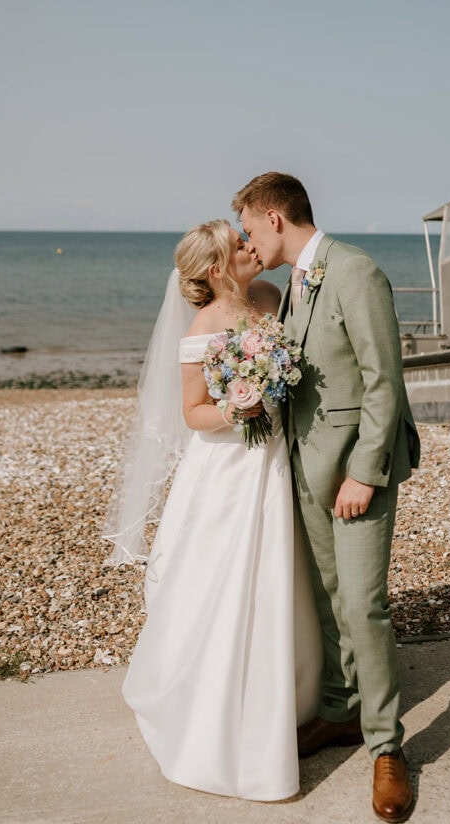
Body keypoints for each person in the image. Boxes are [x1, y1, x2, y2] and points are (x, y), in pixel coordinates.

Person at [103, 218, 322, 801]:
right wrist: (241, 407)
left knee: (281, 575)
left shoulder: (273, 298)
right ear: (217, 269)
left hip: (276, 461)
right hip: (227, 469)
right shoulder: (202, 326)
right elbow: (193, 413)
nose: (251, 246)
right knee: (221, 583)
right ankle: (214, 704)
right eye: (239, 243)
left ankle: (291, 691)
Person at [232, 173, 420, 824]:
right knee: (326, 597)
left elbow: (381, 381)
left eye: (251, 228)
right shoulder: (293, 286)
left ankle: (386, 748)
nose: (249, 242)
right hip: (304, 469)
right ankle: (340, 713)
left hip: (352, 473)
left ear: (275, 218)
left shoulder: (354, 271)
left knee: (362, 605)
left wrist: (365, 471)